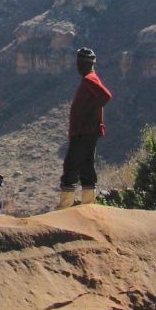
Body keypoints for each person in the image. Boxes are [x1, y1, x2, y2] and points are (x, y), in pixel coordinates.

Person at [59, 47, 112, 208]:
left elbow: (105, 96)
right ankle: (88, 203)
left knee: (70, 165)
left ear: (86, 64)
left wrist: (89, 114)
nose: (78, 66)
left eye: (80, 63)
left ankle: (65, 205)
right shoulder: (89, 78)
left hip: (84, 132)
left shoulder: (89, 79)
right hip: (88, 131)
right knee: (86, 166)